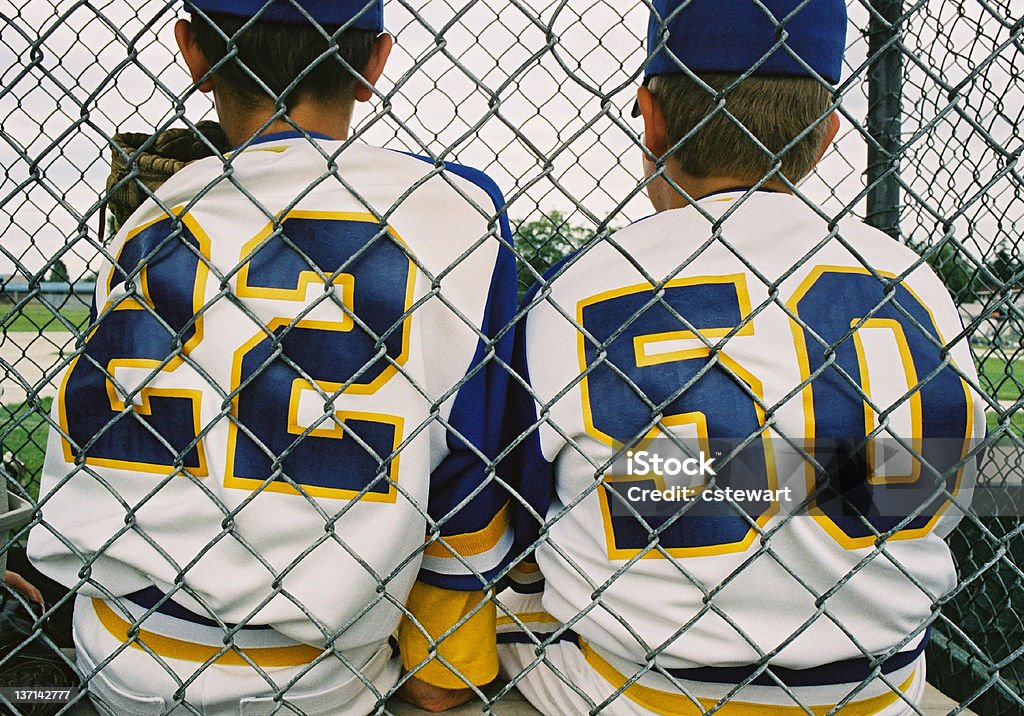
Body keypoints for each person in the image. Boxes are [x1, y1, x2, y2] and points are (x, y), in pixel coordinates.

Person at [28, 0, 517, 713]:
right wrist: (447, 671)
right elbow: (470, 471)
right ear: (375, 63)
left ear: (193, 52)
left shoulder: (150, 212)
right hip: (307, 671)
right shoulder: (455, 207)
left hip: (115, 646)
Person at [500, 1, 985, 714]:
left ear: (651, 117)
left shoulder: (584, 282)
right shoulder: (914, 281)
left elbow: (518, 507)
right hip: (880, 687)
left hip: (641, 690)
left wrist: (700, 481)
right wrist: (788, 478)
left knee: (506, 591)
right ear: (824, 138)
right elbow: (931, 482)